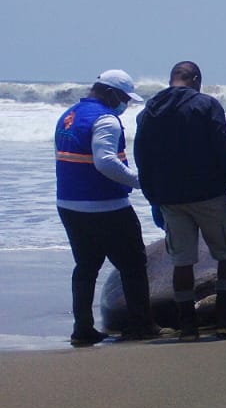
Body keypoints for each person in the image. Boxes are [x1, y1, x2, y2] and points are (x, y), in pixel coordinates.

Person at [133, 61, 226, 341]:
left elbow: (142, 158)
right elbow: (224, 146)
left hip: (170, 199)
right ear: (196, 79)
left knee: (182, 262)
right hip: (209, 193)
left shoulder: (147, 112)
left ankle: (187, 326)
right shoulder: (206, 105)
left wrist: (153, 197)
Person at [54, 69, 159, 345]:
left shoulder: (68, 115)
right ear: (111, 94)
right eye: (124, 98)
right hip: (106, 206)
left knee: (86, 266)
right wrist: (140, 182)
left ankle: (83, 329)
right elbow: (105, 162)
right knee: (133, 264)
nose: (125, 104)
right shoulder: (106, 120)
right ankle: (141, 325)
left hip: (68, 204)